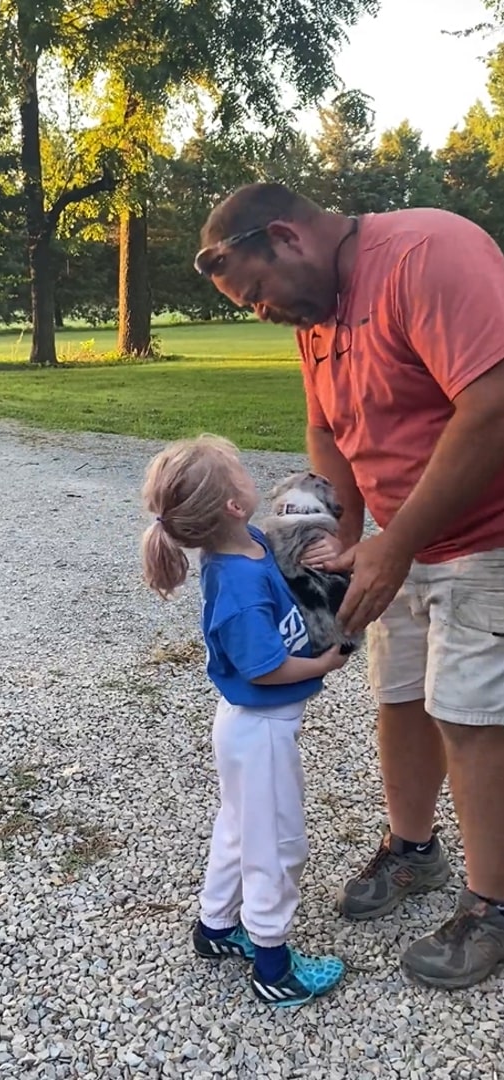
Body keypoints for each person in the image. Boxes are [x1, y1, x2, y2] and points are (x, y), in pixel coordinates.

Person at [193, 182, 504, 990]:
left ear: (288, 237)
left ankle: (493, 902)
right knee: (398, 694)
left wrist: (393, 544)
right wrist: (329, 548)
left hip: (487, 538)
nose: (260, 311)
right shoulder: (318, 315)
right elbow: (326, 429)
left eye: (256, 292)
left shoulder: (426, 253)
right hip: (400, 542)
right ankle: (413, 849)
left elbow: (494, 402)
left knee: (469, 715)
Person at [141, 434, 349, 1006]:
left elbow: (281, 571)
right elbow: (264, 668)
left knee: (239, 828)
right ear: (234, 505)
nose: (249, 476)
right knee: (276, 843)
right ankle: (273, 963)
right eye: (239, 473)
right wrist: (325, 660)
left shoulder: (249, 546)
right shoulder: (234, 584)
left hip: (250, 728)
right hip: (260, 729)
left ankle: (215, 928)